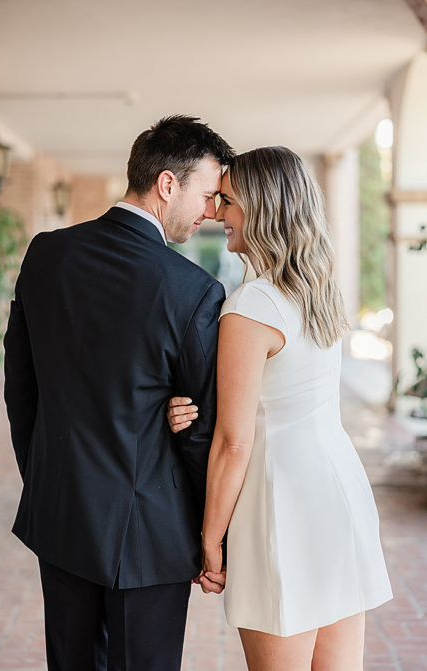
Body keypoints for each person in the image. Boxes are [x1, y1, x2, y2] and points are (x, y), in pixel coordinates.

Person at [3, 115, 234, 670]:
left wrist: (47, 480)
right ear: (167, 184)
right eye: (207, 194)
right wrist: (209, 534)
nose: (210, 211)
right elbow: (200, 430)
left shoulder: (45, 254)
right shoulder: (193, 291)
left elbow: (20, 390)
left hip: (60, 514)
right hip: (151, 533)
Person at [167, 146, 392, 670]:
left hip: (284, 505)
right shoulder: (319, 292)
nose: (217, 212)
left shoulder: (251, 305)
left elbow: (234, 441)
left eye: (228, 201)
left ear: (262, 207)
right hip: (338, 489)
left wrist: (210, 539)